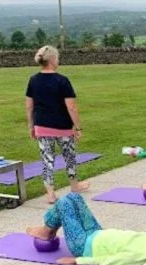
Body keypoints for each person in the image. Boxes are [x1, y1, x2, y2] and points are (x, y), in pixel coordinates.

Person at [26, 193, 146, 265]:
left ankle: (46, 231)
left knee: (64, 203)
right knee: (74, 197)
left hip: (82, 245)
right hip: (95, 232)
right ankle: (47, 230)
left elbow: (107, 261)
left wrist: (77, 260)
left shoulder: (134, 256)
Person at [25, 45, 89, 204]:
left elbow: (29, 106)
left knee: (47, 160)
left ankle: (51, 194)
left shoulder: (33, 80)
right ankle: (74, 185)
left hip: (42, 126)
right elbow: (71, 107)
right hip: (63, 127)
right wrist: (78, 127)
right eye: (58, 58)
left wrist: (31, 126)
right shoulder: (62, 81)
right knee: (70, 157)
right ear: (53, 60)